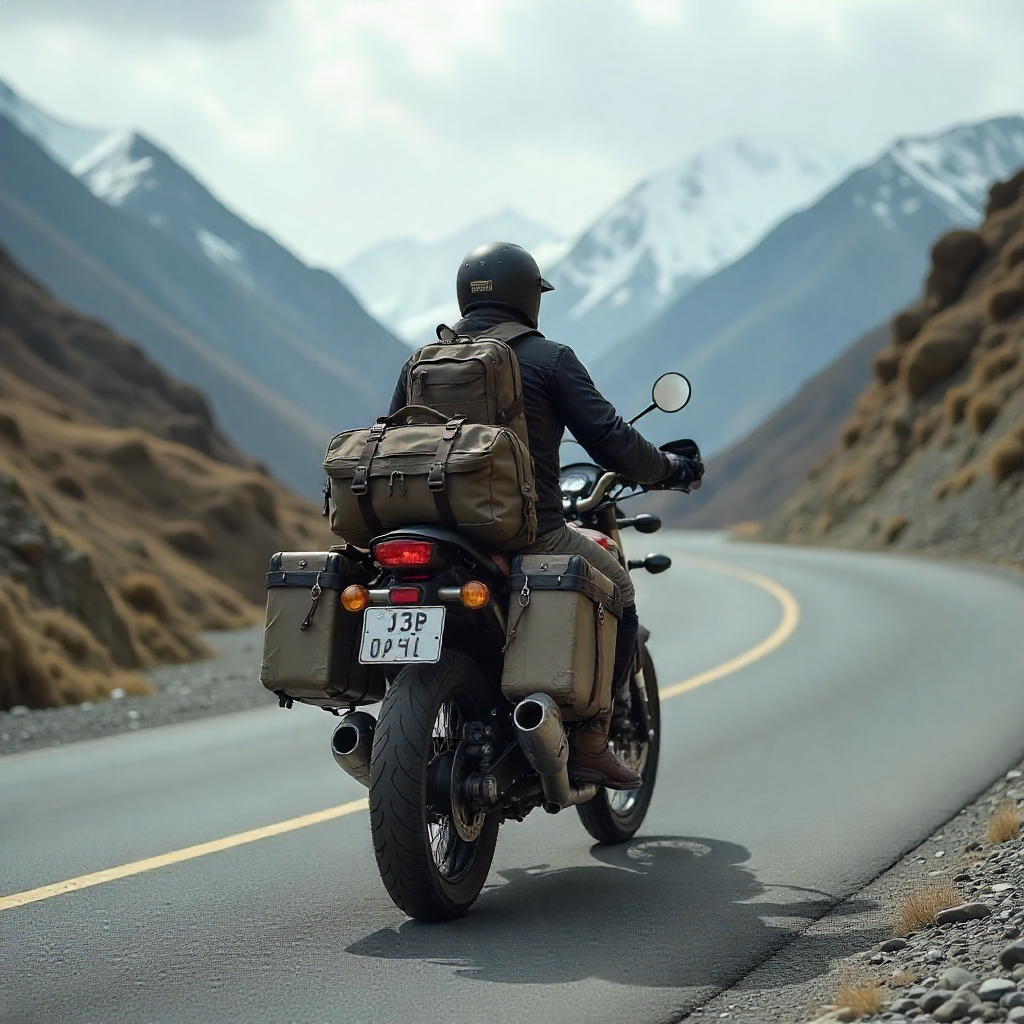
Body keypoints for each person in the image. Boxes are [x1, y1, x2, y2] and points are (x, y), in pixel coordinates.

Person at [389, 242, 702, 789]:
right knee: (620, 592)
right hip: (529, 535)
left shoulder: (423, 362)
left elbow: (394, 437)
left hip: (432, 534)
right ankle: (590, 742)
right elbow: (612, 442)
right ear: (528, 296)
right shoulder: (550, 358)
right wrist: (671, 468)